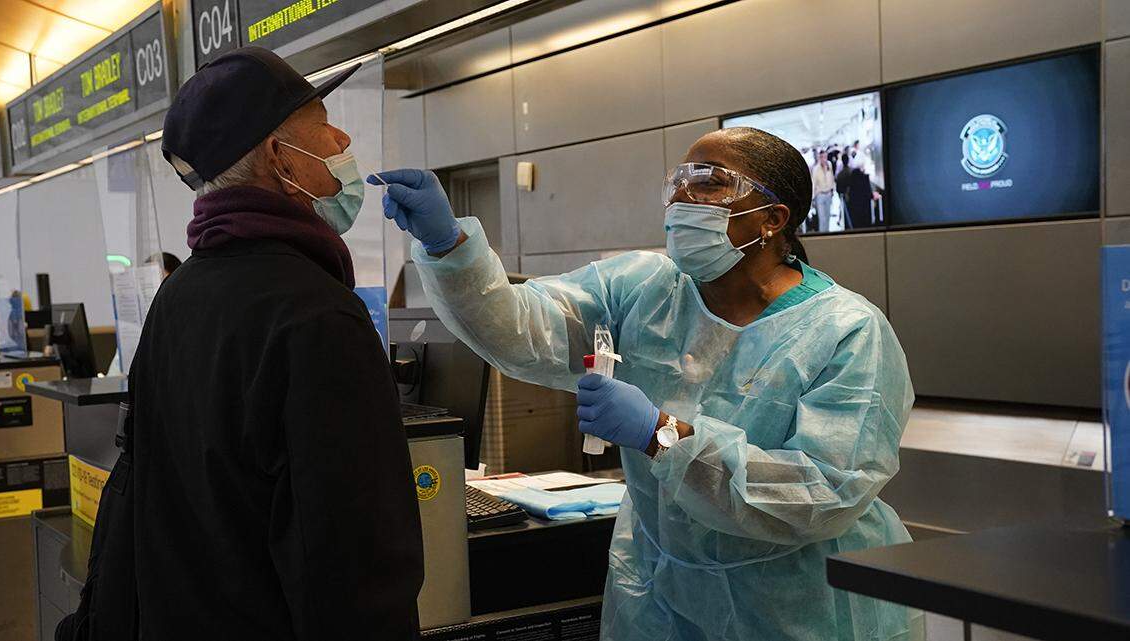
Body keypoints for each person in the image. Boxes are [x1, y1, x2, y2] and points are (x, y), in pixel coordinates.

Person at [373, 127, 921, 640]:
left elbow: (821, 495)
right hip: (661, 592)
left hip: (799, 606)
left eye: (708, 182)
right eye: (677, 183)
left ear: (771, 218)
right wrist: (448, 245)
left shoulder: (846, 331)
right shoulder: (643, 287)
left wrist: (662, 434)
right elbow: (522, 329)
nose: (683, 198)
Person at [124, 47, 423, 640]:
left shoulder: (176, 296)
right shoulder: (317, 317)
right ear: (278, 156)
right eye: (322, 124)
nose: (341, 138)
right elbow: (350, 565)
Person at [811, 149, 836, 233]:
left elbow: (832, 177)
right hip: (820, 195)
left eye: (825, 157)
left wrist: (832, 190)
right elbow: (814, 182)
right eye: (822, 157)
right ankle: (822, 235)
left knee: (828, 216)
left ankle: (827, 234)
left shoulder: (829, 165)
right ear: (819, 158)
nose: (824, 159)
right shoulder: (816, 169)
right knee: (822, 218)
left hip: (828, 194)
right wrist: (813, 198)